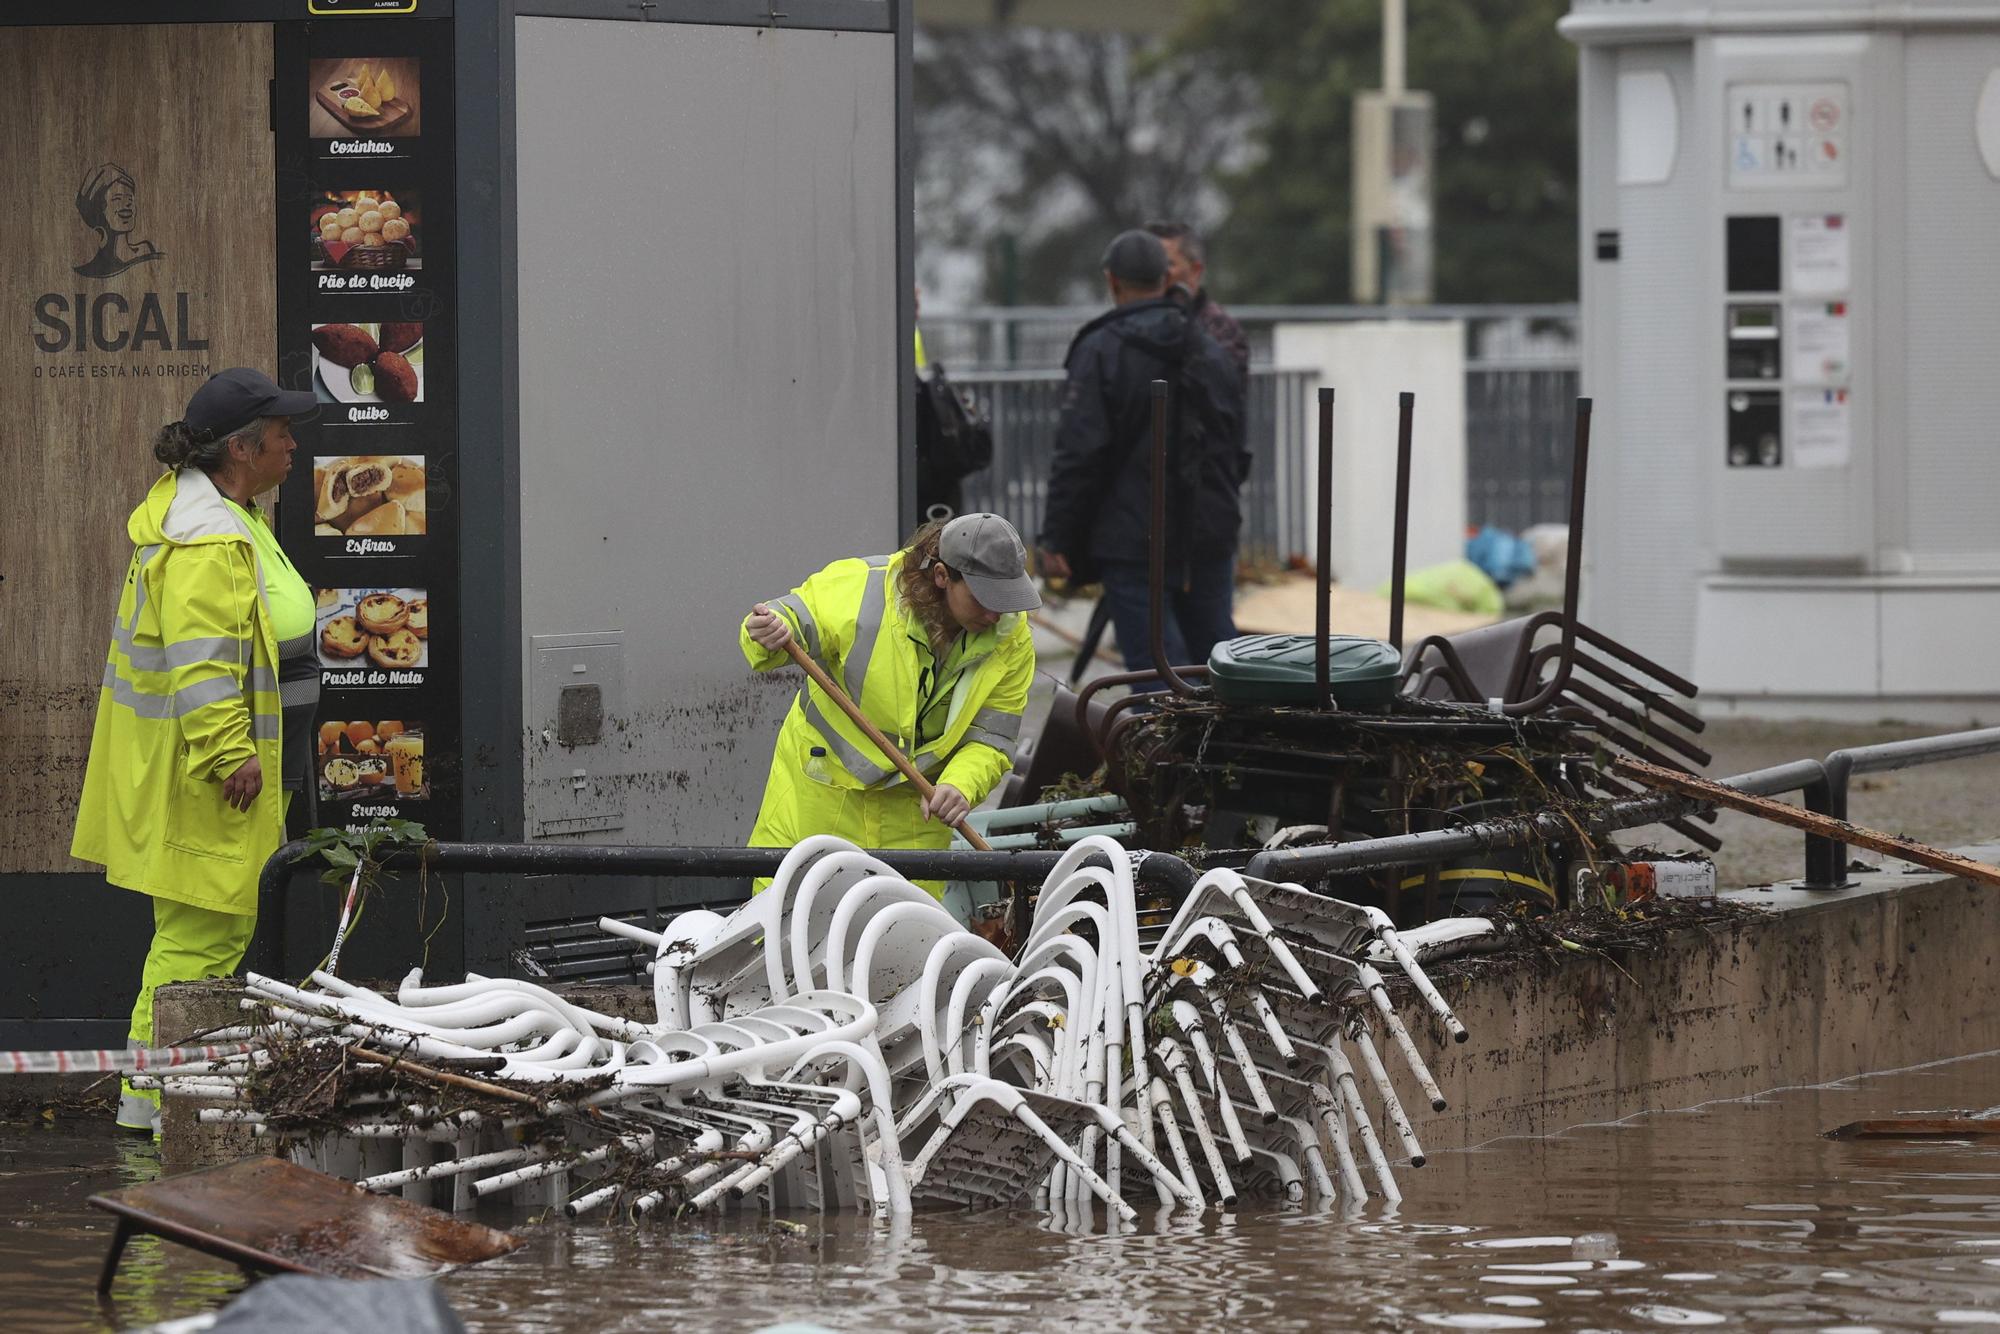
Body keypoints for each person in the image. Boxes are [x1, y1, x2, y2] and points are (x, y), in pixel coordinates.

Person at [71, 368, 319, 1135]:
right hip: (213, 777)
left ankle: (161, 1103)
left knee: (204, 933)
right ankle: (154, 1112)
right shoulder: (208, 537)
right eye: (281, 433)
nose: (292, 444)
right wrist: (227, 754)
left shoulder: (231, 515)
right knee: (198, 936)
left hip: (228, 770)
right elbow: (203, 658)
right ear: (242, 449)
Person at [740, 513, 1039, 891]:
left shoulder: (1012, 639)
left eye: (1007, 598)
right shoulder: (860, 588)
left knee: (904, 939)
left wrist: (960, 785)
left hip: (916, 814)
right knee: (792, 926)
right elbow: (790, 616)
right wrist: (767, 629)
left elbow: (991, 740)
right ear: (943, 576)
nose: (997, 613)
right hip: (822, 798)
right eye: (985, 598)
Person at [1040, 229, 1247, 678]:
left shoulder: (1100, 349)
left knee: (1156, 676)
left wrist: (1056, 537)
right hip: (1209, 534)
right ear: (1164, 276)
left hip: (1133, 541)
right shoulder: (1209, 346)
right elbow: (1236, 442)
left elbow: (1080, 451)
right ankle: (1224, 749)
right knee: (1222, 670)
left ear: (1112, 281)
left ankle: (1167, 750)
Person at [1146, 220, 1248, 383]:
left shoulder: (1220, 329)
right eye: (1148, 263)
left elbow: (1224, 395)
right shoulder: (1132, 323)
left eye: (1167, 264)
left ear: (1195, 270)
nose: (1156, 273)